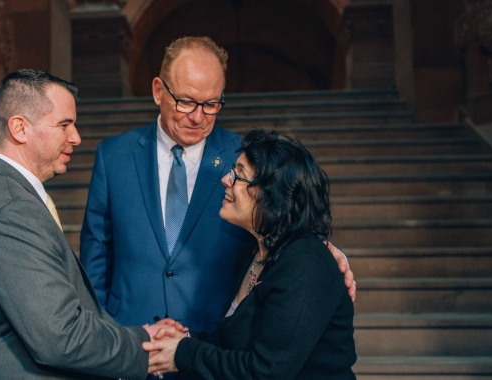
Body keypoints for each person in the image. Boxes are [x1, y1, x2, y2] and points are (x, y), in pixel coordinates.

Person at [80, 37, 355, 337]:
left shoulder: (245, 159)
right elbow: (97, 257)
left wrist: (324, 250)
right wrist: (103, 335)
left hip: (214, 344)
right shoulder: (114, 155)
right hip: (131, 338)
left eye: (211, 104)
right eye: (186, 101)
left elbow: (283, 224)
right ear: (158, 91)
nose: (198, 117)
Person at [0, 69, 177, 380]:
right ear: (20, 128)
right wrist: (143, 344)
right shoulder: (11, 209)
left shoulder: (0, 191)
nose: (76, 137)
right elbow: (61, 338)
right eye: (64, 125)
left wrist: (138, 334)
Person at [144, 130, 357, 379]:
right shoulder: (253, 251)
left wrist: (183, 353)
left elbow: (267, 371)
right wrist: (184, 338)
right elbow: (234, 344)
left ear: (272, 194)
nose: (226, 179)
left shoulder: (306, 266)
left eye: (239, 175)